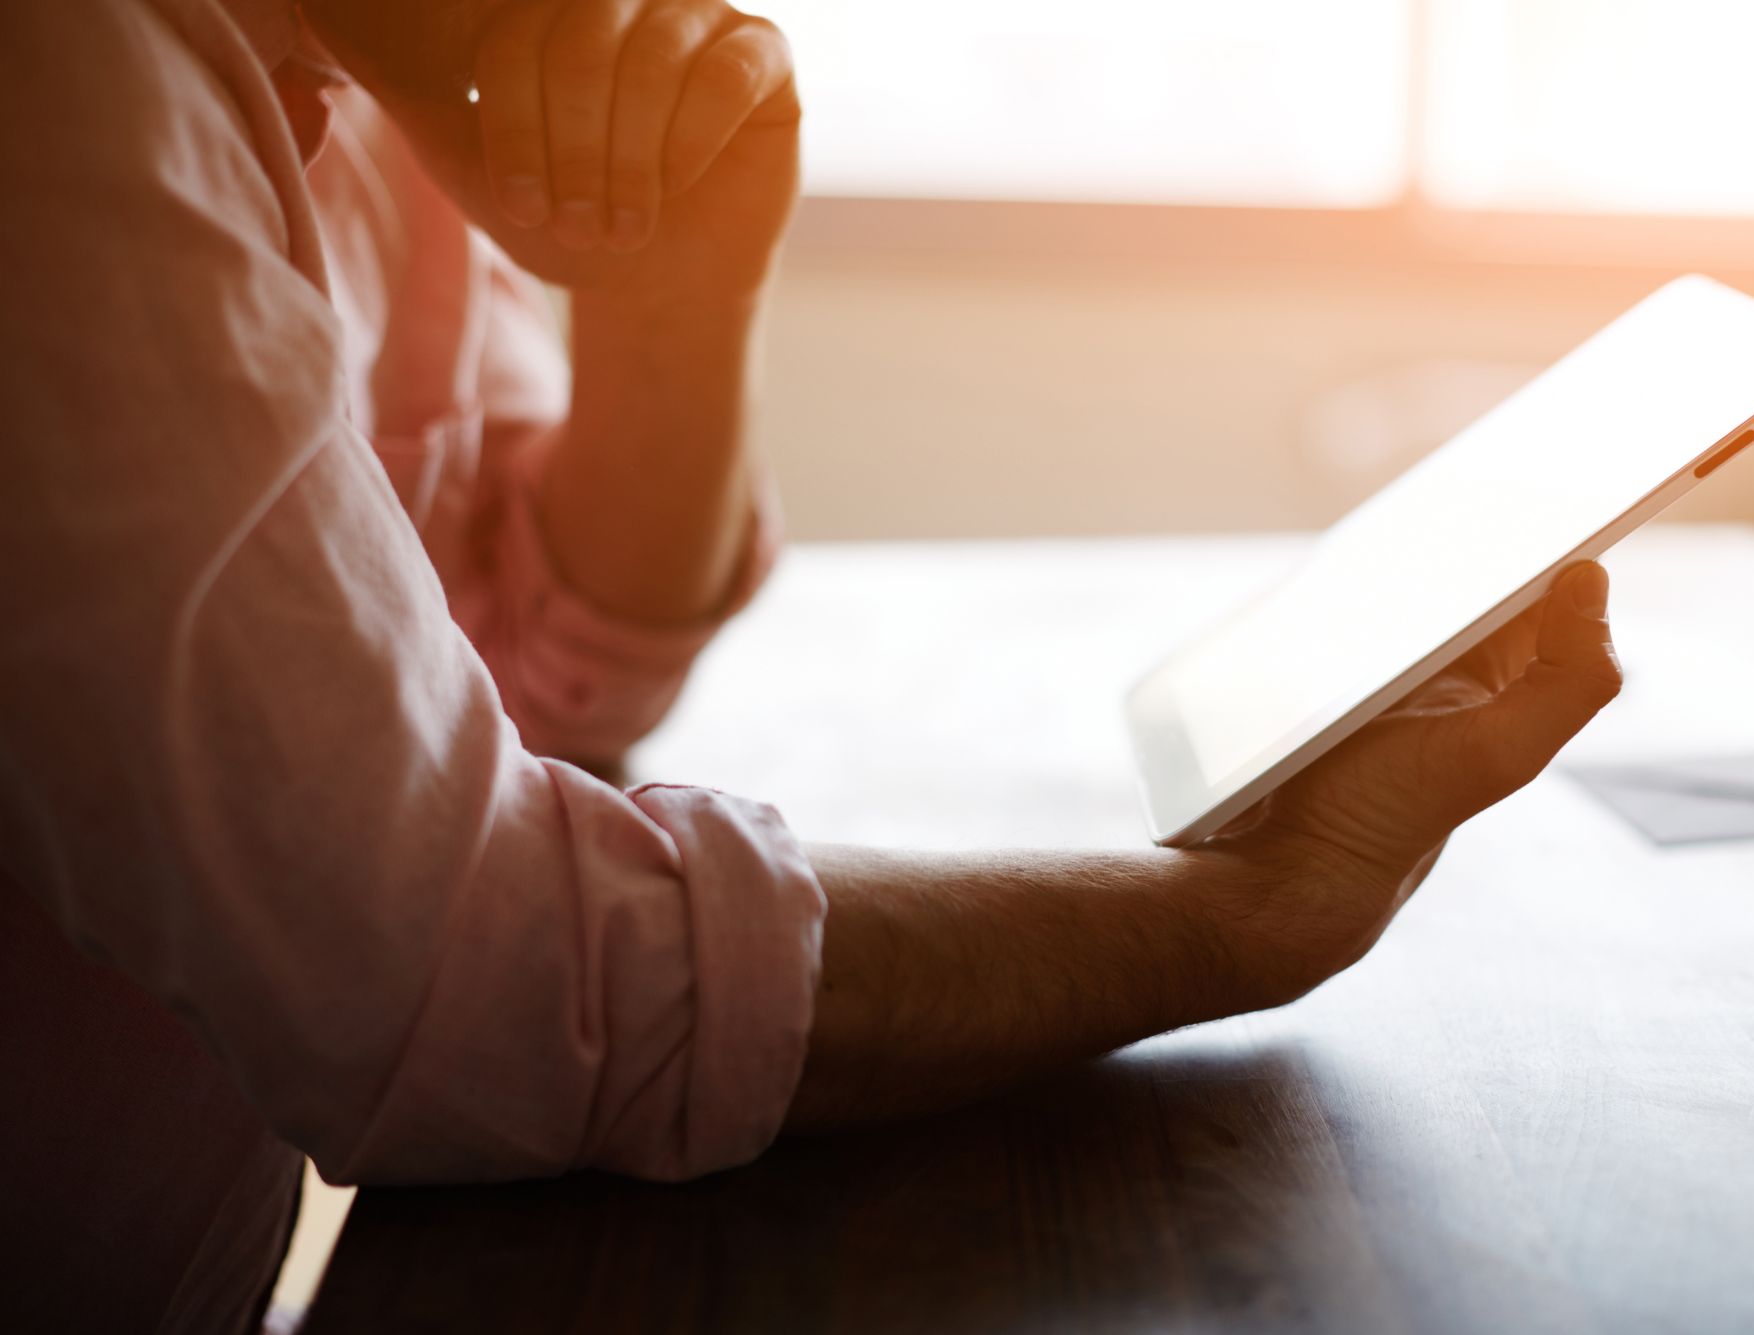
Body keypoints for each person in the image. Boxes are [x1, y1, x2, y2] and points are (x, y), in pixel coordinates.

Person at [0, 0, 1623, 1329]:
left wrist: (679, 297)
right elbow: (464, 964)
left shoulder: (386, 78)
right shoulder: (65, 90)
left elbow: (546, 674)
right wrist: (1239, 913)